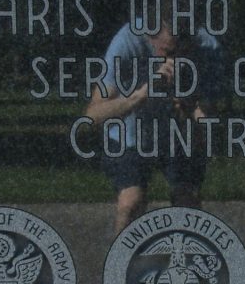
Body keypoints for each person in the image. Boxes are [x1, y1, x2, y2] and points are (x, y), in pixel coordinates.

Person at [85, 16, 223, 233]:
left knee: (187, 201)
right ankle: (121, 261)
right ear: (151, 39)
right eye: (168, 52)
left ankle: (187, 260)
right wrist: (139, 97)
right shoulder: (127, 42)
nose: (174, 60)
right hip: (131, 131)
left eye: (182, 52)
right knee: (131, 202)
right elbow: (94, 114)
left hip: (178, 133)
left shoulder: (207, 47)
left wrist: (191, 107)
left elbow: (209, 116)